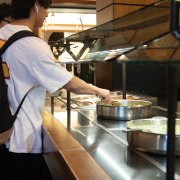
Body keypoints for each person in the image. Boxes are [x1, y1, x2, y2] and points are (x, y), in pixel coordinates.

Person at [0, 0, 111, 179]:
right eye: (47, 8)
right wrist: (99, 91)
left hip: (4, 132)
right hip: (22, 140)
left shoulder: (2, 34)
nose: (46, 14)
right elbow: (69, 83)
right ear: (36, 5)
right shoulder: (32, 44)